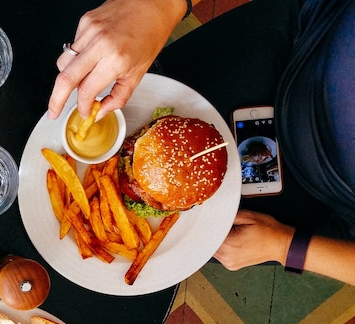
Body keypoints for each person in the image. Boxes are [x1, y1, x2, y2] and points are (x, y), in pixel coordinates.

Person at [48, 0, 355, 285]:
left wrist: (286, 246)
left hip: (321, 198)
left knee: (205, 241)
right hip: (303, 33)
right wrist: (159, 6)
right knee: (149, 73)